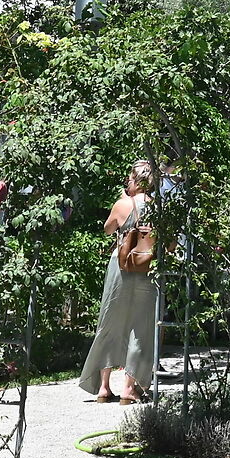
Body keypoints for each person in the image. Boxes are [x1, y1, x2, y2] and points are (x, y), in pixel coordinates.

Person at [79, 161, 161, 404]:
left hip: (120, 266)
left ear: (137, 180)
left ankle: (103, 388)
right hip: (147, 268)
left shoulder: (122, 204)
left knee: (109, 322)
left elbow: (107, 229)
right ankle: (129, 388)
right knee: (141, 326)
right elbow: (168, 241)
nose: (128, 183)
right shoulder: (159, 207)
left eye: (130, 179)